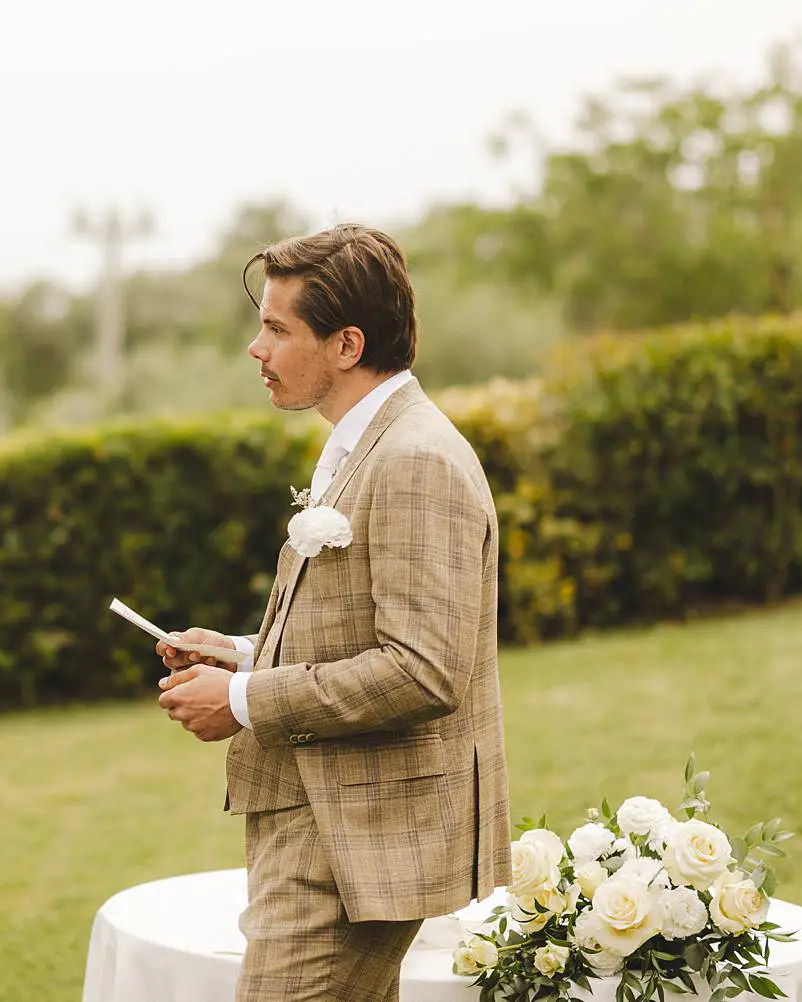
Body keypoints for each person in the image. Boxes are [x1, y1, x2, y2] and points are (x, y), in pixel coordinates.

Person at [156, 226, 510, 1002]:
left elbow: (423, 670)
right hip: (322, 819)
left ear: (347, 344)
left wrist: (243, 702)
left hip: (359, 840)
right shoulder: (365, 444)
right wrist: (245, 655)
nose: (256, 348)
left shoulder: (415, 457)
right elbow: (358, 628)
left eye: (278, 329)